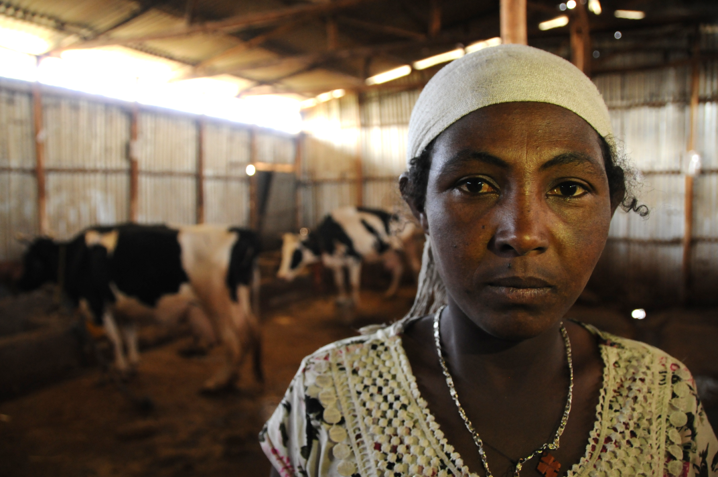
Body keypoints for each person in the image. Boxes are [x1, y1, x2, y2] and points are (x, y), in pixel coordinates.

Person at [259, 44, 718, 477]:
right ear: (418, 205)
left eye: (569, 188)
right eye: (475, 185)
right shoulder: (331, 392)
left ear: (612, 204)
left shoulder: (663, 398)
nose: (523, 234)